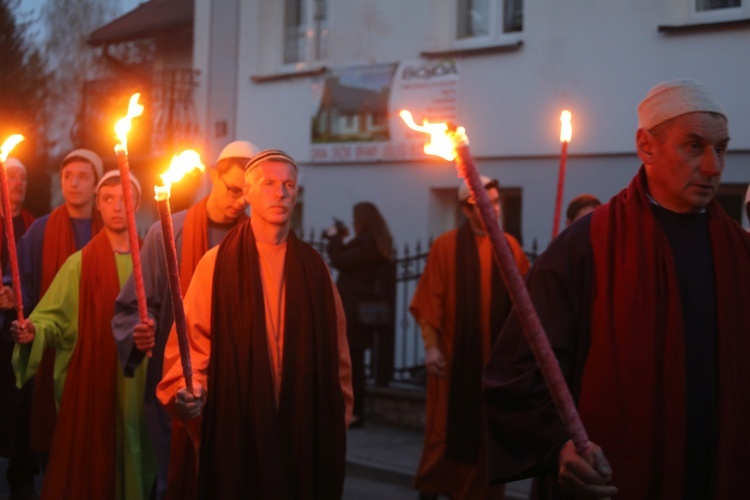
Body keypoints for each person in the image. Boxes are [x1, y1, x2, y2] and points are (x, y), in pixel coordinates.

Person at [483, 79, 750, 499]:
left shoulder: (741, 252)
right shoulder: (586, 246)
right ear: (646, 147)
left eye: (721, 148)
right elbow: (521, 371)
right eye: (694, 146)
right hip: (615, 480)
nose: (714, 167)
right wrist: (559, 447)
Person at [156, 149, 353, 498]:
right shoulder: (217, 264)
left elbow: (338, 361)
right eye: (269, 183)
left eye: (289, 185)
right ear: (247, 193)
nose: (281, 192)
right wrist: (190, 389)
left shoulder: (315, 269)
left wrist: (335, 421)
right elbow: (191, 345)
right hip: (239, 427)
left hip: (300, 429)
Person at [111, 140, 259, 499]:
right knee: (175, 478)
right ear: (213, 177)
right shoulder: (166, 231)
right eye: (233, 189)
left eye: (247, 195)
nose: (240, 201)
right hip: (177, 377)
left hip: (236, 380)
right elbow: (137, 305)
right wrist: (139, 333)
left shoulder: (258, 239)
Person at [11, 170, 155, 499]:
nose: (118, 206)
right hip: (93, 381)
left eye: (126, 199)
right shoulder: (79, 264)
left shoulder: (152, 261)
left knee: (139, 456)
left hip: (142, 389)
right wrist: (32, 329)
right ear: (98, 206)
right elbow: (50, 318)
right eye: (109, 199)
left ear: (138, 205)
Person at [410, 175, 530, 499]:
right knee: (443, 436)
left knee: (487, 438)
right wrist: (432, 348)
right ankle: (434, 490)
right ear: (466, 210)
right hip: (453, 363)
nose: (489, 211)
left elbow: (525, 307)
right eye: (481, 206)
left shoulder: (511, 247)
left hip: (495, 366)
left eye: (494, 203)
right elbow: (429, 299)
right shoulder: (446, 246)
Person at [1, 148, 103, 486]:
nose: (73, 183)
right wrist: (16, 298)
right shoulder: (42, 230)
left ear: (96, 184)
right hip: (49, 347)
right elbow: (24, 283)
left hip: (97, 343)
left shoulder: (110, 229)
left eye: (82, 177)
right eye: (67, 176)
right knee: (49, 425)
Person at [326, 201, 394, 427]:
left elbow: (341, 261)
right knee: (354, 362)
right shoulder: (375, 243)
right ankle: (353, 410)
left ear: (362, 220)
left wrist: (335, 238)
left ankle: (354, 412)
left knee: (350, 363)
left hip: (353, 312)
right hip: (361, 311)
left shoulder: (365, 243)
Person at [0, 157, 36, 500]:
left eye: (22, 177)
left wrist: (17, 295)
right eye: (11, 176)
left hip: (17, 329)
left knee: (19, 399)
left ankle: (19, 470)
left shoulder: (32, 225)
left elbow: (37, 274)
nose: (18, 182)